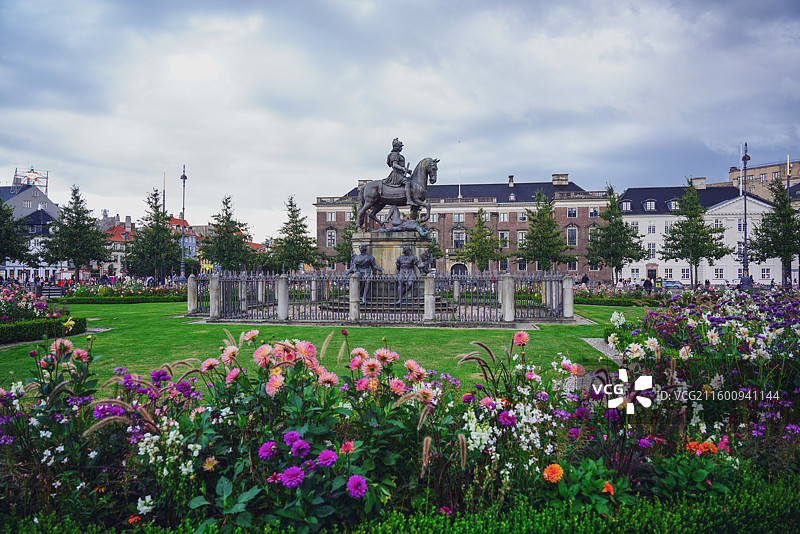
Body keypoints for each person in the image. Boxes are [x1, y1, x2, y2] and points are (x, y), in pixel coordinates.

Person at [383, 138, 413, 205]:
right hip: (396, 174)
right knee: (407, 183)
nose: (401, 148)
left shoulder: (399, 155)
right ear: (397, 147)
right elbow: (394, 165)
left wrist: (407, 171)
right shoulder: (394, 154)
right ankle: (408, 200)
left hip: (400, 174)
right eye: (400, 147)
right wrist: (403, 169)